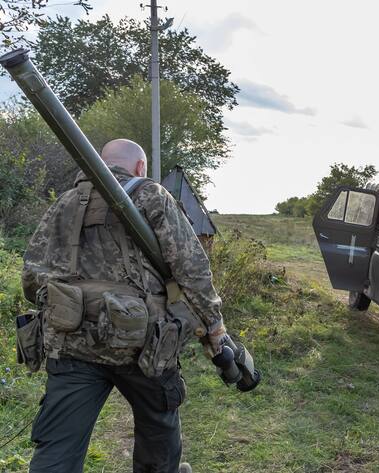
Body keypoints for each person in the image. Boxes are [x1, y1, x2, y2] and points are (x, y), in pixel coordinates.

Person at [22, 139, 230, 473]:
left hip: (72, 343)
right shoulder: (151, 195)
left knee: (57, 452)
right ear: (139, 168)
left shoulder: (65, 203)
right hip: (143, 346)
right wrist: (215, 328)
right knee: (158, 436)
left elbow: (32, 278)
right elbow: (191, 269)